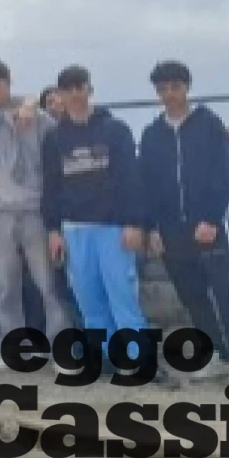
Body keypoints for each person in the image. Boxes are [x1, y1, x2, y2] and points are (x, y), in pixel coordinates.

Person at [137, 61, 229, 390]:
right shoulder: (151, 135)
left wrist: (211, 218)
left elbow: (224, 174)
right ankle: (219, 356)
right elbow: (146, 184)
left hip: (208, 227)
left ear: (187, 88)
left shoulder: (209, 124)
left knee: (226, 294)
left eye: (175, 87)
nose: (169, 94)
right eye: (163, 89)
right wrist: (152, 228)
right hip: (171, 231)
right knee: (193, 297)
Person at [41, 66, 157, 377]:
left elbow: (131, 179)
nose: (75, 94)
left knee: (122, 295)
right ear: (60, 95)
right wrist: (53, 230)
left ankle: (136, 356)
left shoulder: (115, 130)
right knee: (88, 298)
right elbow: (51, 188)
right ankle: (104, 357)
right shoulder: (54, 138)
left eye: (80, 87)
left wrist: (134, 223)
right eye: (68, 89)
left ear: (90, 90)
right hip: (75, 229)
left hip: (112, 228)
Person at [0, 59, 71, 349]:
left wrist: (30, 104)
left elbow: (58, 153)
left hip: (33, 210)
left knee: (47, 282)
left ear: (7, 82)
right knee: (6, 285)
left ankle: (59, 339)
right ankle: (11, 341)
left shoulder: (38, 118)